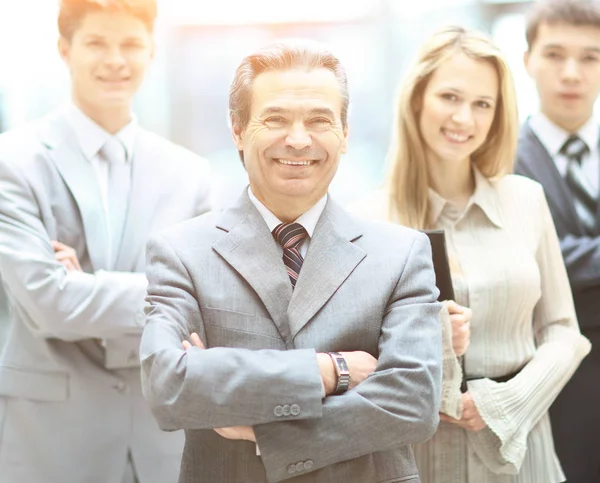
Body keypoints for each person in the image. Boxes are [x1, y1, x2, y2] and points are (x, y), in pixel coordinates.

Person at [140, 38, 442, 483]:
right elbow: (170, 387)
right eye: (275, 118)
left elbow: (412, 403)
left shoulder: (401, 253)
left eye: (319, 120)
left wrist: (265, 433)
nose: (298, 140)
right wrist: (330, 370)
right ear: (238, 129)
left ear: (344, 132)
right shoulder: (181, 252)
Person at [352, 26, 591, 483]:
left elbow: (563, 331)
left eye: (483, 104)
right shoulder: (367, 220)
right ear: (417, 97)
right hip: (415, 459)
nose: (464, 118)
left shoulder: (526, 200)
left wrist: (505, 403)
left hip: (520, 453)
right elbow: (355, 353)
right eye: (450, 97)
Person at [0, 1, 211, 482]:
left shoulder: (190, 174)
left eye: (131, 45)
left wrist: (89, 284)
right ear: (64, 49)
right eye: (97, 43)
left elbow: (203, 305)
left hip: (163, 444)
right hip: (51, 442)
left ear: (152, 52)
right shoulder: (12, 161)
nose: (115, 59)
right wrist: (163, 295)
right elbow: (48, 303)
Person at [514, 0, 600, 481]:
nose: (572, 73)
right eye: (554, 54)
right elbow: (531, 263)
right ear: (528, 59)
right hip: (549, 388)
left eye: (590, 57)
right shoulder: (495, 159)